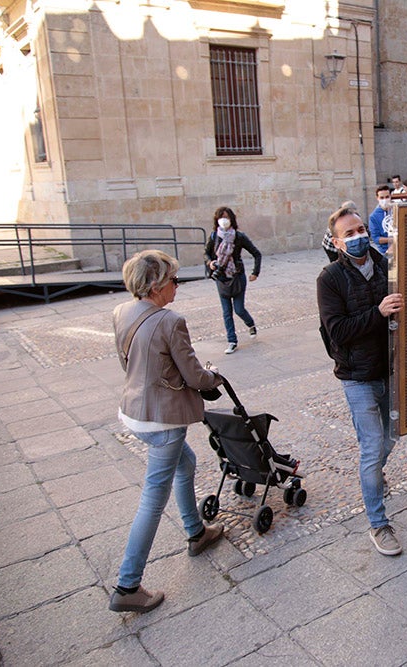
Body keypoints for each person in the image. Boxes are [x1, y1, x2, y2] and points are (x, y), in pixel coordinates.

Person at [109, 250, 224, 614]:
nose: (178, 286)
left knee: (185, 464)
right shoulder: (170, 321)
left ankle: (196, 531)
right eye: (174, 280)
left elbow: (128, 361)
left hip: (133, 411)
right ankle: (128, 585)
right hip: (162, 420)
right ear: (157, 286)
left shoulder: (122, 311)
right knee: (152, 500)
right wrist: (214, 376)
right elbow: (193, 376)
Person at [317, 206, 405, 556]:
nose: (357, 237)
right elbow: (336, 331)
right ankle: (378, 524)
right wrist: (378, 312)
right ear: (338, 242)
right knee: (371, 448)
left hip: (390, 369)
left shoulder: (386, 266)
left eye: (359, 230)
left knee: (391, 437)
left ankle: (374, 478)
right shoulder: (330, 279)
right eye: (349, 234)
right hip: (356, 376)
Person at [204, 207, 261, 354]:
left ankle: (250, 323)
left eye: (226, 217)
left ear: (232, 219)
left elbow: (256, 253)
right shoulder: (213, 236)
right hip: (221, 277)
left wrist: (255, 272)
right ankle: (232, 341)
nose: (224, 220)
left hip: (237, 276)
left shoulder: (239, 237)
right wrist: (210, 262)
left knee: (239, 309)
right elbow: (206, 253)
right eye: (221, 217)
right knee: (226, 312)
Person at [368, 185, 394, 254]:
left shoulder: (398, 210)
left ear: (390, 196)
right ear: (377, 198)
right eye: (382, 198)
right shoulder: (373, 216)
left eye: (387, 197)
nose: (385, 200)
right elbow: (375, 238)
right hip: (385, 251)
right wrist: (393, 240)